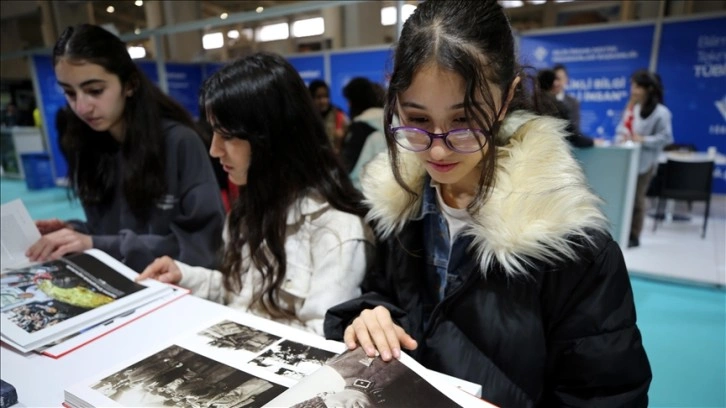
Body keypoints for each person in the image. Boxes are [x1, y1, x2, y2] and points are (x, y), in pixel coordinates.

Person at [323, 1, 652, 407]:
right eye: (418, 120)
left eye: (464, 121)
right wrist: (372, 315)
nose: (439, 149)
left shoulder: (573, 247)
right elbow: (383, 293)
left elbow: (607, 395)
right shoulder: (397, 209)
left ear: (507, 96)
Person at [137, 53, 374, 335]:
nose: (214, 150)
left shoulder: (336, 228)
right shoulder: (248, 209)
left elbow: (322, 338)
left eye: (227, 135)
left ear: (271, 137)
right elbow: (240, 292)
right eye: (213, 133)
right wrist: (185, 276)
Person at [24, 24, 226, 273]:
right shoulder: (87, 144)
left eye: (95, 91)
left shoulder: (180, 142)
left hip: (174, 291)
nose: (82, 107)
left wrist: (95, 243)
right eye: (70, 93)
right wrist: (74, 232)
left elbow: (202, 245)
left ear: (129, 85)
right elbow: (112, 233)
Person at [616, 69, 673, 248]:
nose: (634, 90)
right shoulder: (633, 107)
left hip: (645, 163)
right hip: (628, 161)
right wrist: (625, 136)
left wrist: (643, 140)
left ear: (648, 89)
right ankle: (623, 231)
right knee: (626, 197)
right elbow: (622, 129)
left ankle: (634, 235)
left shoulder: (662, 113)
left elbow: (666, 138)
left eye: (638, 86)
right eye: (633, 86)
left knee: (637, 199)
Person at [340, 77, 387, 189]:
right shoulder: (392, 119)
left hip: (366, 194)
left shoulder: (360, 126)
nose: (348, 105)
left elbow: (349, 168)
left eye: (349, 101)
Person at [537, 69, 597, 148]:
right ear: (553, 84)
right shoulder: (557, 106)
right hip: (551, 151)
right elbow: (572, 136)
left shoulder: (529, 103)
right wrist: (592, 142)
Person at [309, 79, 349, 153]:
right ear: (311, 98)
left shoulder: (339, 115)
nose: (323, 101)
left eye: (326, 96)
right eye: (318, 97)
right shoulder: (307, 117)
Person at [553, 63, 581, 131]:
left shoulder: (573, 102)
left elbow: (575, 129)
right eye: (555, 78)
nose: (556, 82)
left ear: (566, 80)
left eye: (559, 79)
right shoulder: (543, 100)